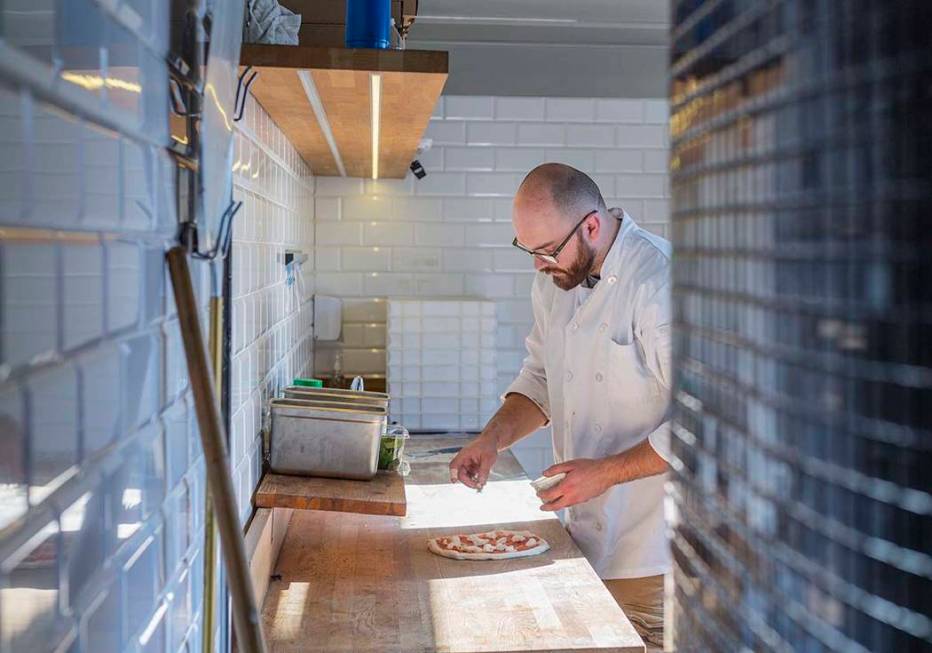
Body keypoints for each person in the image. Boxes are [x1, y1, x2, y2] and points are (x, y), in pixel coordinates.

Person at [449, 163, 672, 650]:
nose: (538, 265)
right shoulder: (556, 281)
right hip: (584, 542)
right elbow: (541, 379)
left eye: (547, 250)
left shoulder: (659, 280)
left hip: (655, 556)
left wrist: (604, 473)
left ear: (591, 225)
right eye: (528, 251)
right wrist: (492, 441)